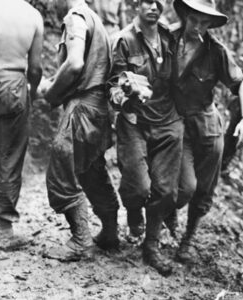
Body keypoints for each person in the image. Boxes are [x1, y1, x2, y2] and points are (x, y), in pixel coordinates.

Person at [171, 0, 243, 263]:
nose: (198, 27)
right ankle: (169, 212)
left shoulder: (216, 51)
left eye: (205, 23)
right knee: (183, 187)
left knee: (203, 190)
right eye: (194, 20)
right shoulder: (166, 38)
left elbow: (241, 84)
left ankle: (187, 240)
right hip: (176, 124)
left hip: (207, 129)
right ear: (185, 15)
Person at [40, 0, 119, 262]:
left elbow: (74, 64)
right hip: (97, 108)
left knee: (61, 168)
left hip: (83, 108)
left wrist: (51, 94)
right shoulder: (94, 18)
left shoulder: (76, 17)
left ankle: (81, 241)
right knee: (90, 169)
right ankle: (109, 233)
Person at [109, 0, 184, 276]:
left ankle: (151, 246)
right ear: (135, 4)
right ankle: (132, 210)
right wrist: (126, 89)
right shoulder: (124, 41)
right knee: (139, 187)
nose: (153, 6)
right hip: (134, 122)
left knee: (166, 191)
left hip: (168, 123)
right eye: (146, 1)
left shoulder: (170, 36)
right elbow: (113, 88)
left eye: (159, 1)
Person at [0, 0, 43, 251]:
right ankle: (4, 232)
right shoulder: (31, 15)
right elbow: (36, 68)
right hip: (13, 83)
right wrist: (32, 89)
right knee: (9, 158)